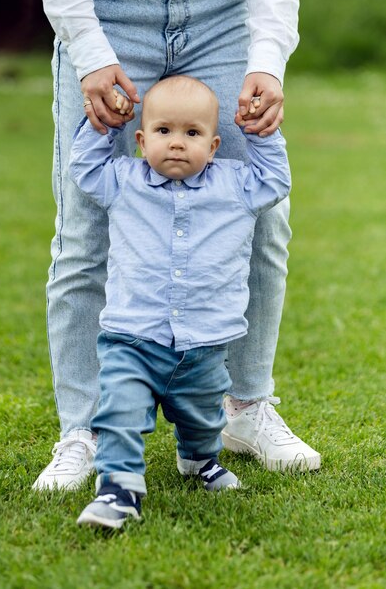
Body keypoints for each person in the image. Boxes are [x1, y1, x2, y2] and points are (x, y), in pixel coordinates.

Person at [33, 0, 320, 492]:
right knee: (85, 233)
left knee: (261, 223)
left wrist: (268, 59)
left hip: (223, 4)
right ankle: (85, 431)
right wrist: (90, 51)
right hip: (109, 3)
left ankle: (245, 407)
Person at [71, 75, 291, 529]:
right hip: (133, 337)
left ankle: (199, 461)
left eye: (191, 134)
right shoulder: (122, 180)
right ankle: (118, 488)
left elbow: (276, 180)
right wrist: (102, 127)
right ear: (141, 139)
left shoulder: (235, 184)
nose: (176, 144)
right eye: (163, 131)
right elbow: (85, 169)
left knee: (202, 417)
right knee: (119, 411)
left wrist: (261, 134)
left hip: (206, 341)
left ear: (213, 147)